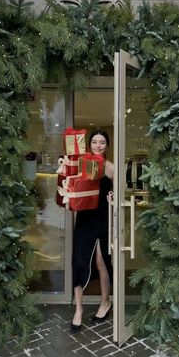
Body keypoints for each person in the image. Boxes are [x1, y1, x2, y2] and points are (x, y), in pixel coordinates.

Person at [71, 129, 114, 332]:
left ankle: (105, 302)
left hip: (102, 217)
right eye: (95, 142)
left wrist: (114, 194)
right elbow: (70, 181)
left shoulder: (109, 166)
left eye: (102, 142)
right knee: (79, 261)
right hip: (84, 217)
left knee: (101, 261)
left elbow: (122, 188)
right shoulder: (82, 163)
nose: (98, 145)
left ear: (107, 146)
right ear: (89, 144)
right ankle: (78, 309)